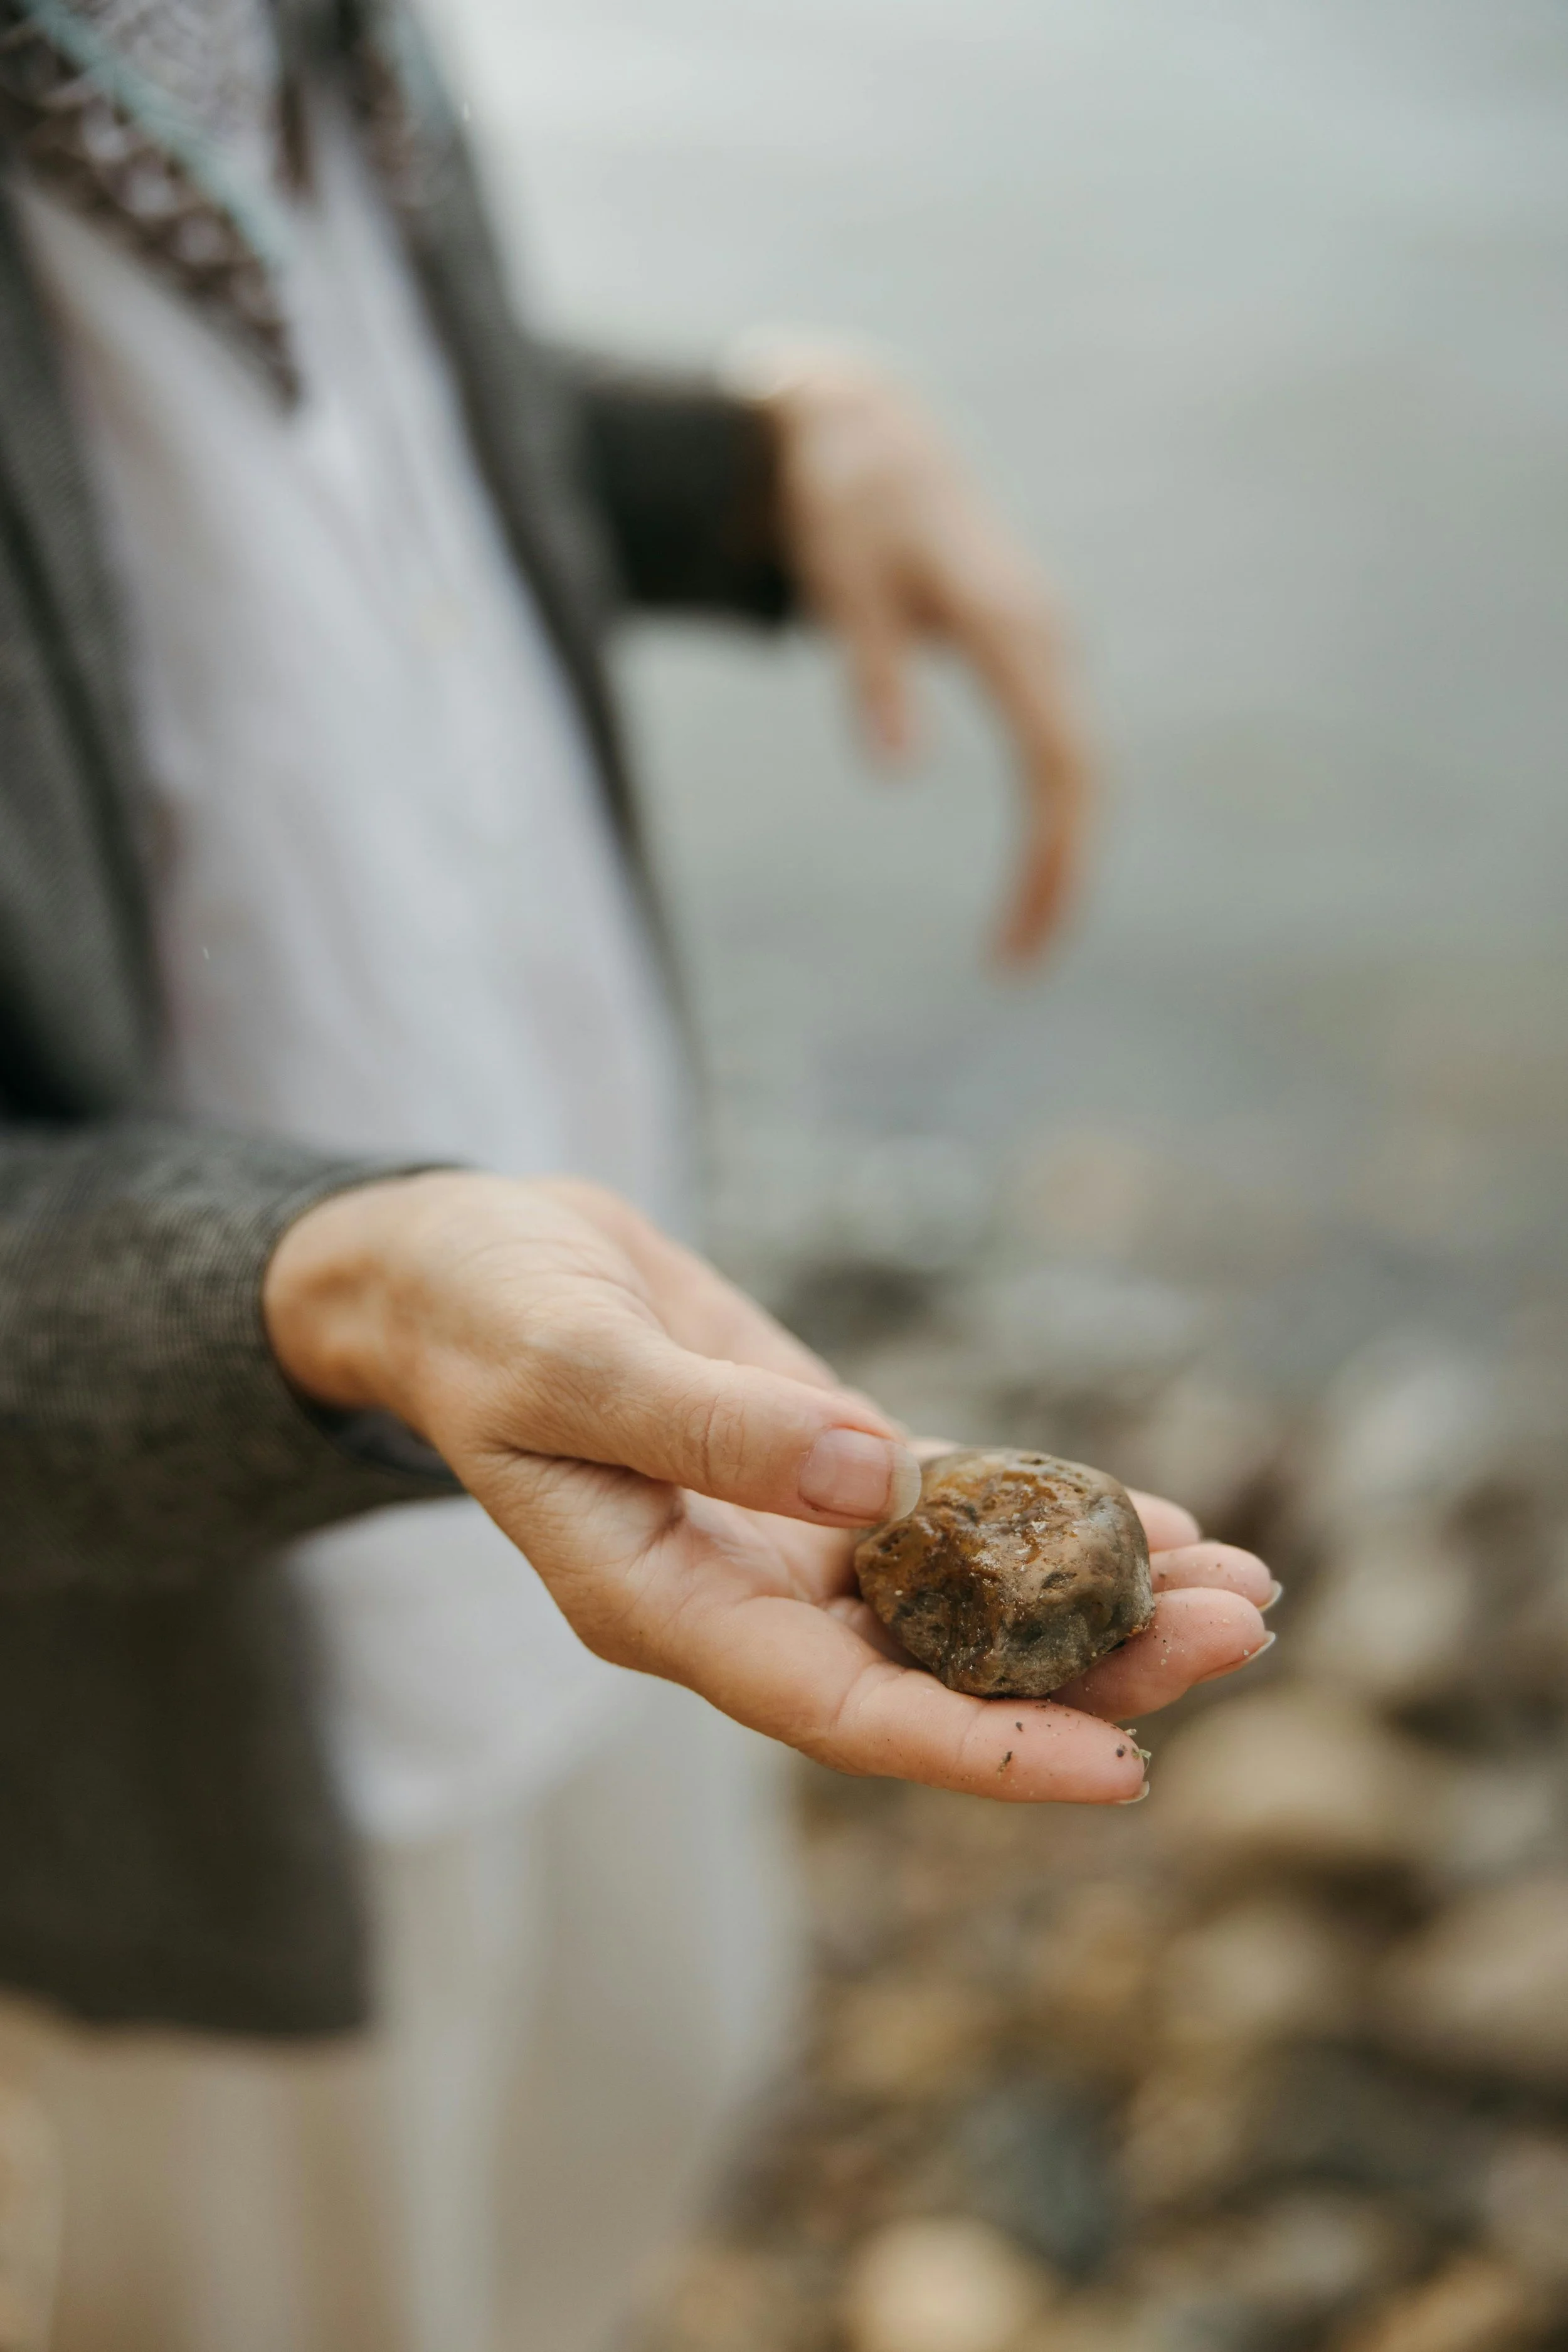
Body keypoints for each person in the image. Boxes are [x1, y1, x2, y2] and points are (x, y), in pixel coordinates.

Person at [0, 2, 1276, 2346]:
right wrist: (317, 1293)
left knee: (641, 2097)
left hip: (642, 1384)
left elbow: (288, 418)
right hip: (198, 1636)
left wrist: (744, 465)